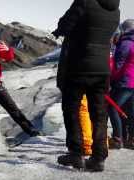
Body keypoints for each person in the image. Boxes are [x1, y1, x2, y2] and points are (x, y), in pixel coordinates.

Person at [52, 0, 120, 171]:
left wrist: (61, 29)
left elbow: (65, 25)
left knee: (71, 109)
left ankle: (76, 153)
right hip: (102, 70)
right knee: (99, 114)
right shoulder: (115, 9)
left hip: (79, 67)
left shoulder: (84, 2)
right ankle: (98, 157)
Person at [108, 19, 134, 149]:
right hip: (132, 83)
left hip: (125, 82)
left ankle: (117, 138)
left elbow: (118, 65)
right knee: (129, 110)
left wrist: (111, 80)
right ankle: (131, 139)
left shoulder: (126, 43)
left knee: (113, 108)